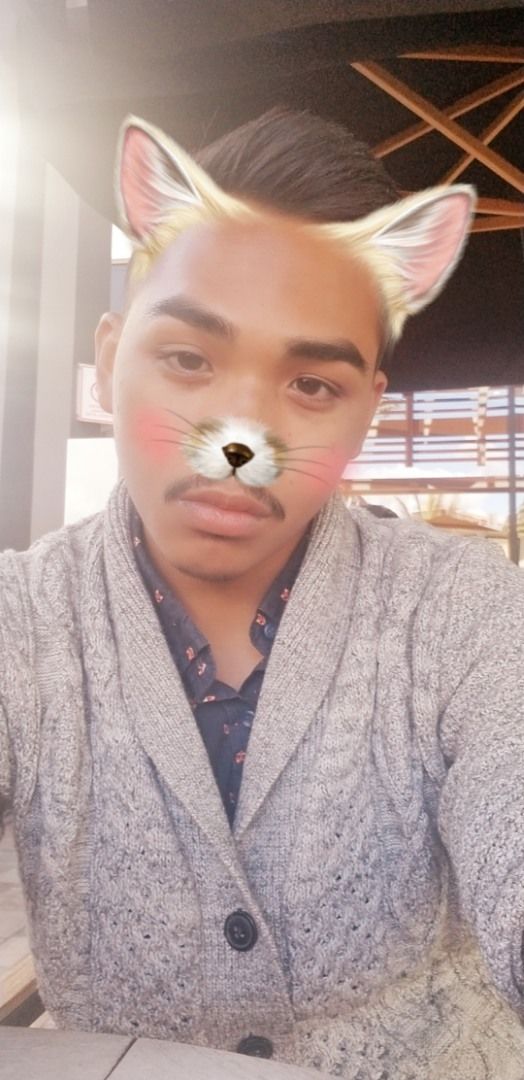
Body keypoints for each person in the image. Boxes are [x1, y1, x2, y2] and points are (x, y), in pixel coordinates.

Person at [1, 108, 523, 1080]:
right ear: (109, 363)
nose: (240, 436)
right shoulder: (22, 625)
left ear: (366, 413)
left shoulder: (463, 615)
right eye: (188, 359)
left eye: (312, 385)